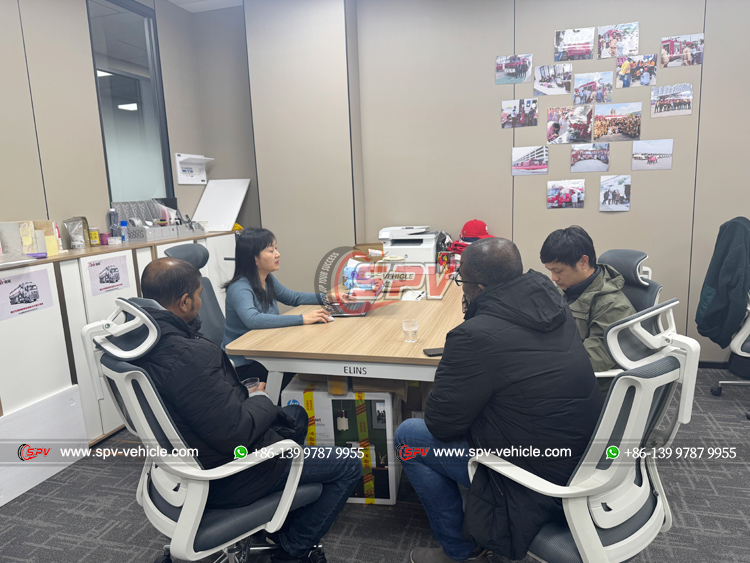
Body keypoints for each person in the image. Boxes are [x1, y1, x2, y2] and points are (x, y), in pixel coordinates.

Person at [135, 258, 362, 563]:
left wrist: (244, 396)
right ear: (185, 302)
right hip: (234, 468)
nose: (202, 303)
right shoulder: (190, 357)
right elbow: (237, 435)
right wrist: (260, 399)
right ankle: (294, 549)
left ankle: (280, 513)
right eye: (200, 295)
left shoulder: (141, 342)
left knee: (295, 416)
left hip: (186, 460)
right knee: (349, 463)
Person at [395, 239, 603, 563]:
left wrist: (466, 334)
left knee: (409, 436)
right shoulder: (553, 302)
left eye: (461, 281)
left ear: (477, 287)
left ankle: (462, 554)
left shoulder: (473, 336)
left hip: (534, 479)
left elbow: (441, 424)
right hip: (583, 456)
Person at [222, 229, 332, 384]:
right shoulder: (240, 287)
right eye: (271, 250)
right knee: (300, 363)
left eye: (276, 249)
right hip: (245, 365)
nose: (278, 254)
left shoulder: (267, 279)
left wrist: (328, 298)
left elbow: (293, 297)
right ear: (254, 258)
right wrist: (302, 319)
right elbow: (252, 319)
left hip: (265, 350)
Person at [540, 226, 636, 374]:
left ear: (583, 262)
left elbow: (591, 359)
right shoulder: (566, 289)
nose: (554, 278)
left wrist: (541, 362)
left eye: (558, 271)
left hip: (584, 380)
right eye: (550, 271)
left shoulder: (613, 306)